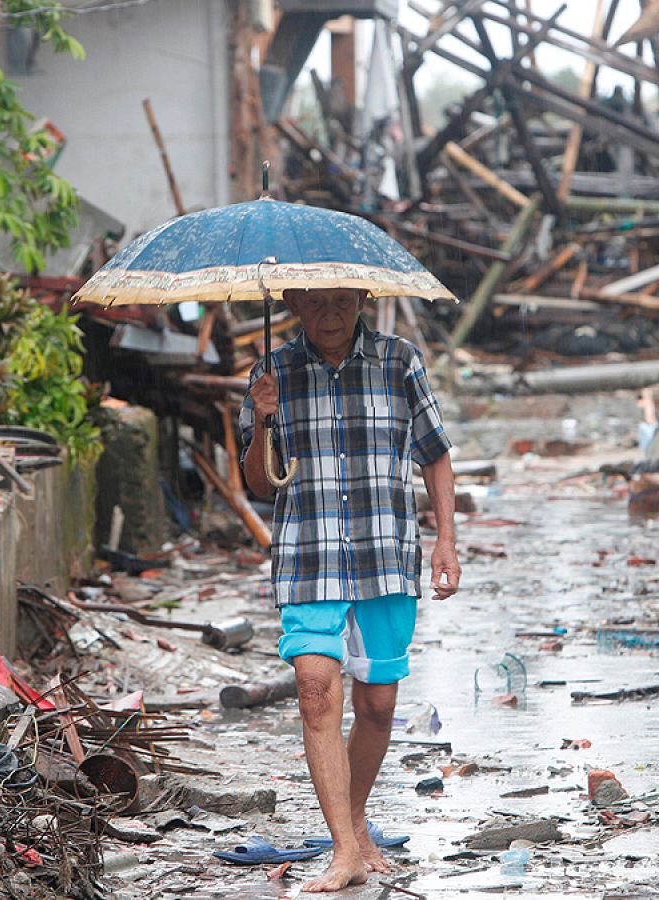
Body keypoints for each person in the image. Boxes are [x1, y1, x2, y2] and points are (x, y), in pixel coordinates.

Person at [240, 286, 459, 892]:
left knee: (378, 704)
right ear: (292, 305)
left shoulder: (399, 361)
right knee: (315, 690)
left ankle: (356, 817)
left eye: (341, 300)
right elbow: (260, 484)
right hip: (307, 555)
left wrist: (446, 542)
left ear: (362, 297)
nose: (329, 313)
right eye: (315, 302)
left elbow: (434, 455)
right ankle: (344, 849)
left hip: (385, 552)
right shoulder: (272, 371)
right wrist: (263, 420)